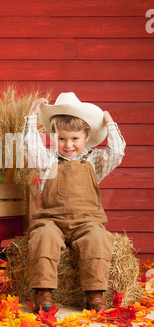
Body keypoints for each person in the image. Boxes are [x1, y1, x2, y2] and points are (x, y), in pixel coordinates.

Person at [22, 92, 126, 312]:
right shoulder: (48, 160)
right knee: (42, 237)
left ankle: (95, 294)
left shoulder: (94, 161)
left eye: (74, 139)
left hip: (87, 222)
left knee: (98, 239)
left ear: (87, 136)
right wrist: (31, 116)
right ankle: (43, 291)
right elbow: (30, 146)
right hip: (52, 220)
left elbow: (116, 152)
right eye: (61, 139)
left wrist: (110, 124)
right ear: (54, 138)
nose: (68, 145)